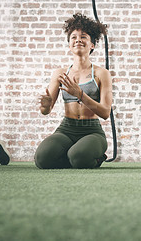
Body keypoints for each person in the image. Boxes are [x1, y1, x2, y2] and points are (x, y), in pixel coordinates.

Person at [34, 13, 112, 169]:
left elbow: (105, 113)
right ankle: (75, 157)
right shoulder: (60, 73)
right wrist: (45, 105)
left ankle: (88, 156)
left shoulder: (102, 73)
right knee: (42, 159)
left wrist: (80, 95)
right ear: (69, 45)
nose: (78, 40)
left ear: (92, 45)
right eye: (73, 37)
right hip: (66, 129)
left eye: (83, 37)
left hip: (92, 131)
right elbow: (46, 111)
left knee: (79, 156)